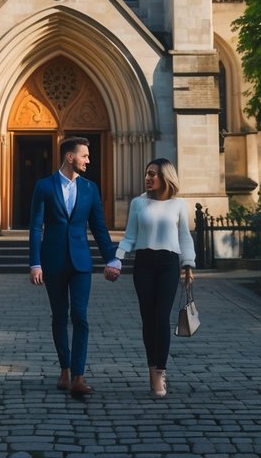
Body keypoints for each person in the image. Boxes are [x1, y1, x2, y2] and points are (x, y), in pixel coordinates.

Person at [29, 135, 118, 398]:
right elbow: (35, 227)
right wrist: (35, 263)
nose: (88, 160)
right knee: (59, 316)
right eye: (84, 156)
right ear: (70, 157)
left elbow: (99, 227)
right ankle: (65, 369)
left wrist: (111, 258)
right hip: (53, 260)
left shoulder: (91, 188)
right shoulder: (43, 187)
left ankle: (79, 376)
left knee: (80, 316)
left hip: (81, 262)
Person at [105, 158, 195, 398]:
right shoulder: (138, 203)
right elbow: (129, 236)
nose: (148, 177)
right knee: (148, 318)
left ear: (166, 177)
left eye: (153, 174)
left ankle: (160, 371)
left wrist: (188, 264)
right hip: (143, 264)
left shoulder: (178, 205)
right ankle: (152, 367)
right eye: (147, 173)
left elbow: (184, 236)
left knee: (162, 318)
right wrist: (117, 259)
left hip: (169, 265)